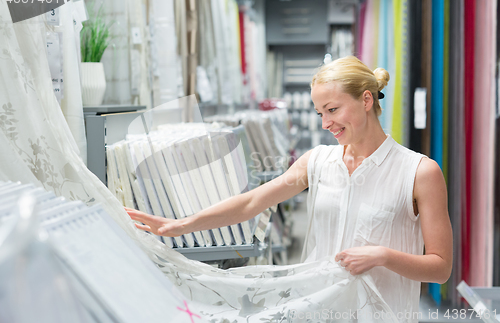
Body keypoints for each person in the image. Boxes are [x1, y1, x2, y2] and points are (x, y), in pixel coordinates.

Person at [126, 56, 453, 318]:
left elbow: (440, 268)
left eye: (333, 110)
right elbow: (252, 202)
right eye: (320, 113)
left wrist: (383, 256)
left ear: (366, 99)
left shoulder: (418, 172)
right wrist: (181, 225)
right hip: (318, 310)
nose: (326, 124)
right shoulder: (319, 163)